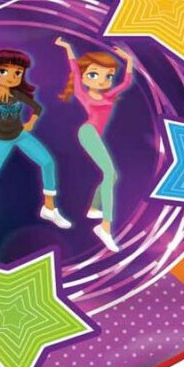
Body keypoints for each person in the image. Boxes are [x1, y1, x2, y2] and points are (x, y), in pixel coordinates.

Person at [0, 49, 70, 236]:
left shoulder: (17, 93)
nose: (11, 77)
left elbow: (37, 107)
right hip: (1, 139)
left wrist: (31, 122)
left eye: (17, 73)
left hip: (20, 135)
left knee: (48, 162)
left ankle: (49, 208)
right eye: (4, 71)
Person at [55, 39, 134, 253]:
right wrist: (68, 48)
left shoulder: (108, 95)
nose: (102, 80)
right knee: (109, 174)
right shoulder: (82, 93)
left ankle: (93, 209)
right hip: (88, 133)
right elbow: (74, 69)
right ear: (84, 77)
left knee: (112, 175)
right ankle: (105, 227)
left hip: (95, 135)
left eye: (108, 76)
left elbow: (126, 82)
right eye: (94, 75)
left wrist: (128, 60)